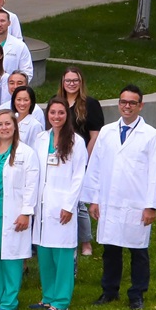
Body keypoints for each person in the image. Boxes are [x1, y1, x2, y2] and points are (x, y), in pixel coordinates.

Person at [83, 85, 156, 310]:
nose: (127, 106)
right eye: (123, 102)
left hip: (136, 203)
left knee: (138, 249)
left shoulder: (151, 136)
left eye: (132, 102)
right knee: (111, 249)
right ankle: (109, 291)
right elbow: (96, 167)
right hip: (109, 200)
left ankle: (137, 293)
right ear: (118, 104)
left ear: (140, 105)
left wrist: (151, 206)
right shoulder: (107, 132)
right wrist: (94, 199)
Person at [0, 111, 40, 310]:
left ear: (15, 127)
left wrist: (26, 212)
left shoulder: (26, 153)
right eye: (0, 124)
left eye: (8, 124)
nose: (4, 128)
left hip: (13, 212)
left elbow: (32, 185)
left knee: (12, 257)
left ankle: (9, 300)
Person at [32, 97, 88, 310]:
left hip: (62, 205)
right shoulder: (40, 138)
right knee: (45, 253)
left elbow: (78, 175)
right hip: (42, 205)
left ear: (68, 115)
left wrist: (69, 205)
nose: (56, 116)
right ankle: (48, 297)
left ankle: (61, 302)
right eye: (53, 112)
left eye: (61, 113)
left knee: (62, 255)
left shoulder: (76, 141)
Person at [56, 66, 104, 256]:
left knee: (79, 202)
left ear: (81, 82)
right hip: (59, 158)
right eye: (68, 80)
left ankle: (85, 242)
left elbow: (95, 135)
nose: (71, 84)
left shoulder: (90, 104)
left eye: (75, 80)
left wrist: (85, 158)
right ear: (62, 82)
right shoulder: (57, 103)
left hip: (81, 156)